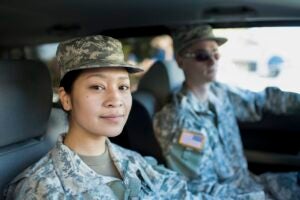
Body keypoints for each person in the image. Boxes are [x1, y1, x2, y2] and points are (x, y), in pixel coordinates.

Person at [4, 35, 220, 200]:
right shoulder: (42, 189)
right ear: (66, 99)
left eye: (123, 86)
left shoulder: (133, 161)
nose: (115, 99)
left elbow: (184, 194)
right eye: (97, 86)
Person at [153, 25, 300, 200]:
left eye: (216, 53)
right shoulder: (176, 119)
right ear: (180, 60)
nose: (212, 61)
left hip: (250, 182)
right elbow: (200, 188)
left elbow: (260, 100)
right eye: (202, 56)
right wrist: (258, 197)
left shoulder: (220, 93)